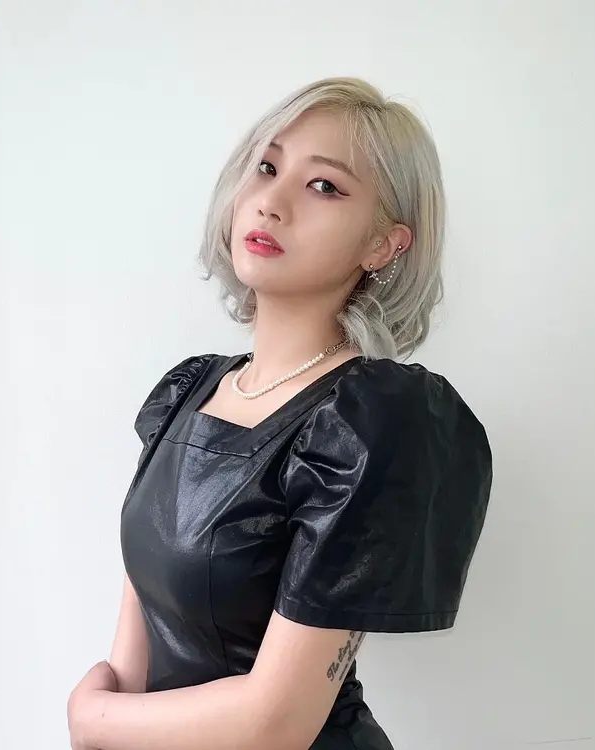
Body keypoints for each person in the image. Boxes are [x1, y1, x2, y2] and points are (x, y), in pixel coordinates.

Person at [67, 76, 493, 750]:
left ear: (383, 245)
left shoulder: (372, 421)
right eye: (266, 168)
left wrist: (90, 721)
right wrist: (104, 725)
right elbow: (134, 659)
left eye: (324, 185)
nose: (271, 201)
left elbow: (276, 723)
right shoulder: (186, 393)